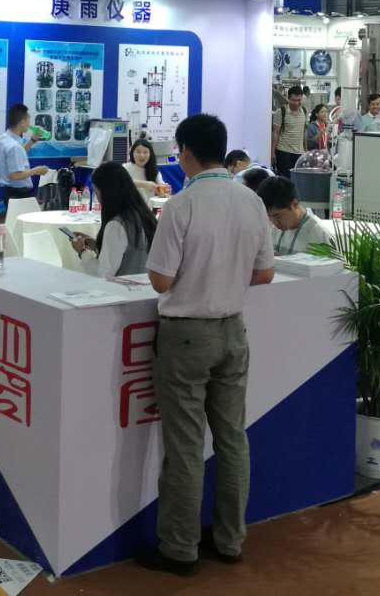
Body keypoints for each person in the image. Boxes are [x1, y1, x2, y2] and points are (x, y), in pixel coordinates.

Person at [139, 113, 274, 576]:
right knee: (233, 439)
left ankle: (180, 549)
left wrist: (198, 278)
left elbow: (160, 280)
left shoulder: (182, 205)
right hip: (234, 331)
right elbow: (264, 272)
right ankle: (230, 540)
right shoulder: (251, 201)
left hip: (186, 336)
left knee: (185, 446)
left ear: (186, 153)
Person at [70, 160, 157, 279]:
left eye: (96, 191)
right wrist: (97, 244)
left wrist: (82, 252)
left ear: (107, 192)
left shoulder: (117, 225)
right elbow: (131, 251)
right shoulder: (144, 214)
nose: (97, 197)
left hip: (122, 288)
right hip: (147, 286)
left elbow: (103, 274)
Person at [258, 176, 328, 256]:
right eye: (269, 217)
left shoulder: (319, 235)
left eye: (277, 216)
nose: (274, 223)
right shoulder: (272, 229)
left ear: (294, 204)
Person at [0, 103, 46, 207]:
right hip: (19, 194)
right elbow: (14, 175)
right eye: (28, 120)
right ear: (22, 122)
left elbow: (17, 155)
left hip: (9, 192)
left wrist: (32, 140)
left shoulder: (4, 139)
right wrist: (36, 171)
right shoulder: (14, 146)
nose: (29, 124)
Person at [271, 86, 306, 178]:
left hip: (299, 152)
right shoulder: (281, 112)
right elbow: (275, 132)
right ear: (288, 98)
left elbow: (303, 132)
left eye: (299, 100)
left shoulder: (304, 111)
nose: (297, 103)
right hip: (284, 152)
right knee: (284, 179)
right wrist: (272, 152)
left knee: (297, 179)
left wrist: (305, 150)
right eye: (294, 100)